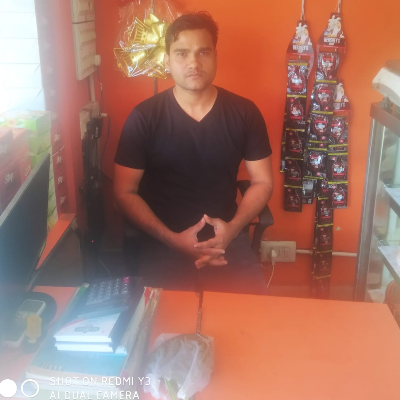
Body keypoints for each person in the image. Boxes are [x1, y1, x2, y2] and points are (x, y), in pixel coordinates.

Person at [113, 12, 273, 295]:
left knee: (252, 316)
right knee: (160, 318)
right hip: (163, 241)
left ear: (215, 56)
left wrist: (233, 229)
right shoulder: (144, 118)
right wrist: (173, 240)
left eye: (203, 52)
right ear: (167, 60)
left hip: (226, 237)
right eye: (182, 53)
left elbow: (263, 181)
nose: (194, 63)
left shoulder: (245, 113)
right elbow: (125, 191)